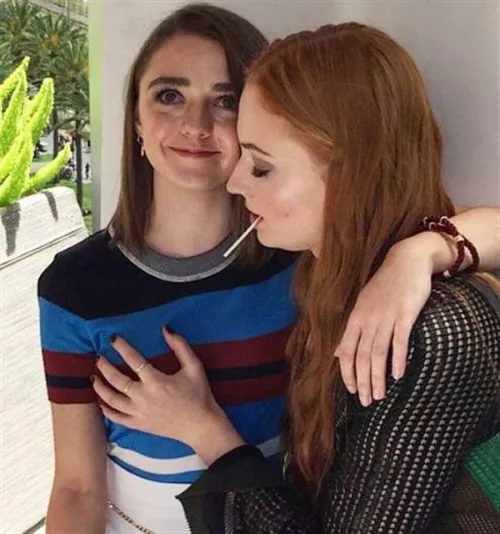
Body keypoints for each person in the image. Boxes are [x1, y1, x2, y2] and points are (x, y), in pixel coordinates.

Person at [93, 22, 500, 534]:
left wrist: (205, 430)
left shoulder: (431, 334)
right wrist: (421, 251)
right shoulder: (324, 272)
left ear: (351, 172)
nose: (235, 183)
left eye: (262, 168)